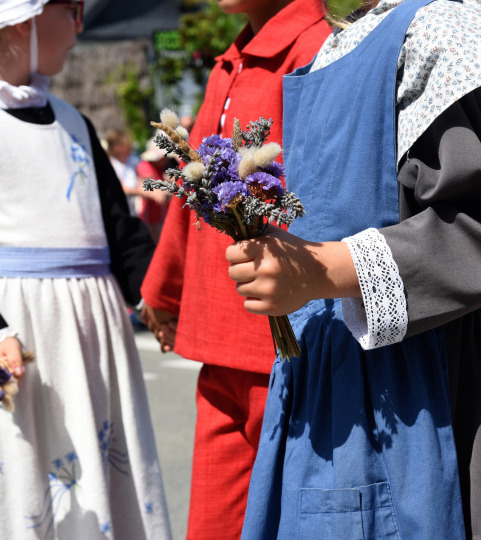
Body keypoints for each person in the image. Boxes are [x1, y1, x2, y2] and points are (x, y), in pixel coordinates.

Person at [225, 0, 481, 538]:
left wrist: (324, 269)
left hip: (425, 388)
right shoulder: (337, 44)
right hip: (325, 378)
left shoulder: (443, 32)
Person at [0, 1, 172, 539]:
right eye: (72, 9)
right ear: (21, 18)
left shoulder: (73, 121)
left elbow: (121, 231)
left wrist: (152, 296)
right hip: (19, 339)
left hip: (94, 333)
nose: (80, 25)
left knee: (102, 469)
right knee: (24, 477)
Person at [140, 0, 331, 538]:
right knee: (213, 521)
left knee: (290, 519)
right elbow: (187, 190)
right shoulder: (232, 59)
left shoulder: (317, 47)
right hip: (220, 342)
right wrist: (164, 290)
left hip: (285, 343)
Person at [136, 138, 173, 243]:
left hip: (161, 216)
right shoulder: (145, 166)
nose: (167, 160)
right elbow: (152, 186)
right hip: (151, 218)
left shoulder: (160, 168)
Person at [105, 128, 140, 216]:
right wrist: (149, 193)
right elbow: (123, 189)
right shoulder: (111, 164)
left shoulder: (131, 161)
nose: (130, 145)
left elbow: (139, 179)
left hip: (132, 212)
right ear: (117, 147)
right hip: (119, 214)